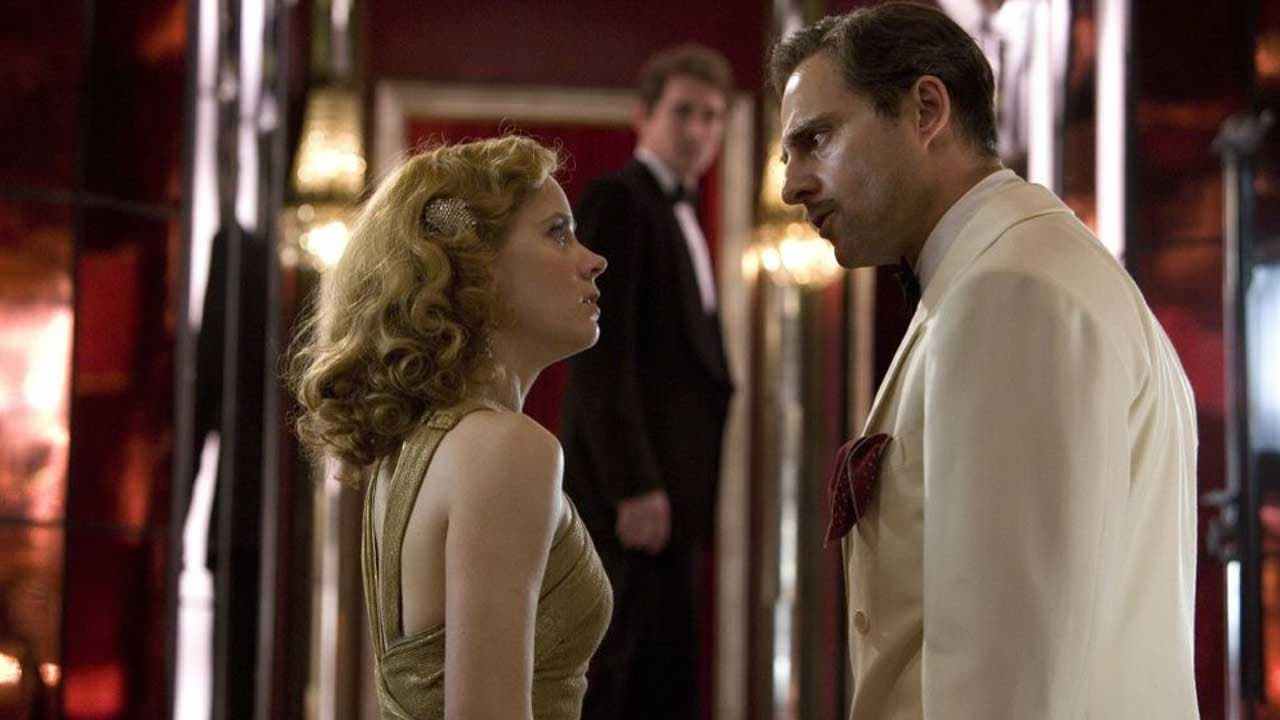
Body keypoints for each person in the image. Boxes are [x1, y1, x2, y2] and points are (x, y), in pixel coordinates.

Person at [771, 3, 1199, 718]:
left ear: (926, 110)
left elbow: (1003, 673)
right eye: (789, 157)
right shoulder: (1013, 270)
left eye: (816, 139)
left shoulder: (1010, 291)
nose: (793, 186)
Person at [288, 136, 612, 720]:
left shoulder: (423, 446)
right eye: (557, 233)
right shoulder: (507, 448)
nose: (593, 260)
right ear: (479, 265)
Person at [558, 44, 735, 720]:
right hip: (635, 500)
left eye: (712, 116)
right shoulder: (620, 201)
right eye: (683, 112)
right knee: (620, 679)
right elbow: (602, 355)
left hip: (675, 494)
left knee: (662, 678)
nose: (698, 130)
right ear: (644, 116)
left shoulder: (682, 210)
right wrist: (634, 484)